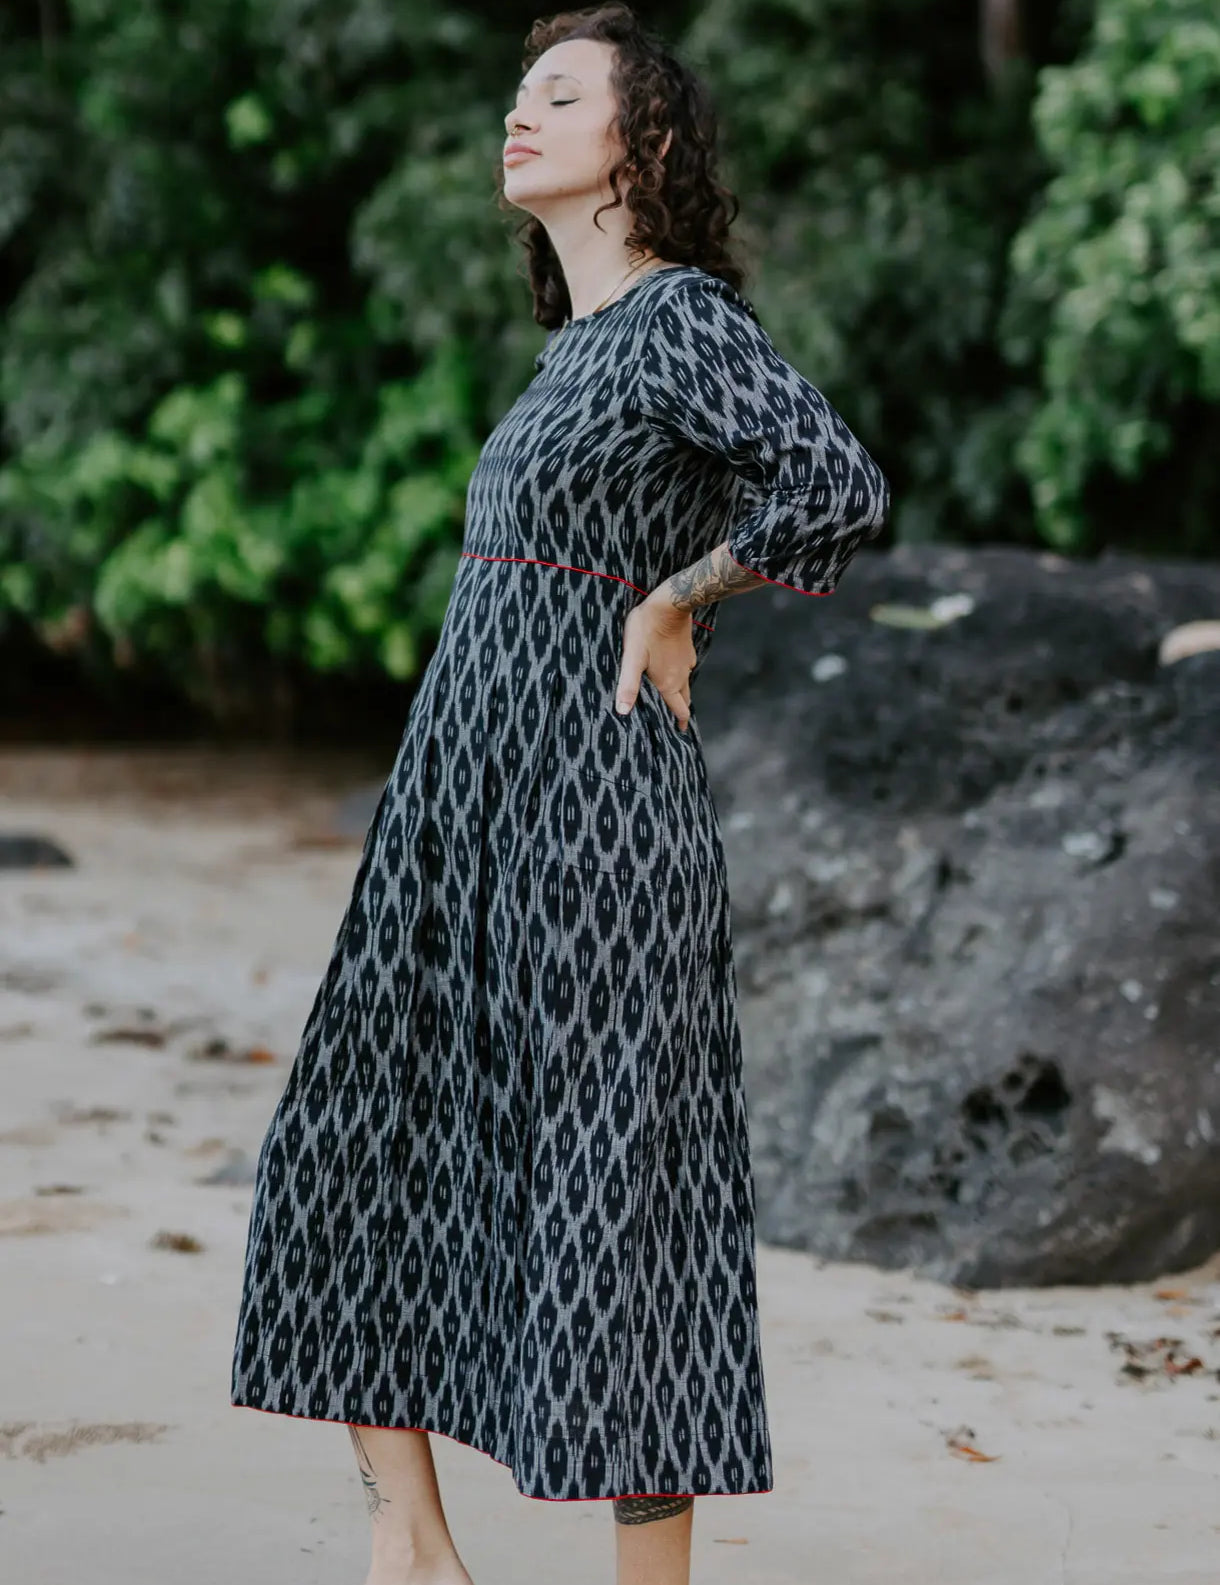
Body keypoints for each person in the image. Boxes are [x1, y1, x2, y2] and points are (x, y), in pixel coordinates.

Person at [229, 6, 891, 1584]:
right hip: (462, 805)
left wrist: (682, 598)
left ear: (640, 143)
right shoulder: (575, 355)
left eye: (560, 94)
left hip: (596, 813)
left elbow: (836, 483)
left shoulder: (675, 320)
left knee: (617, 1196)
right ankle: (413, 1538)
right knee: (352, 1137)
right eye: (518, 92)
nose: (517, 116)